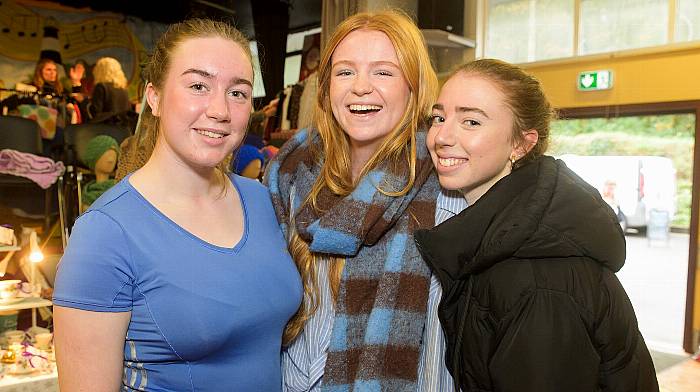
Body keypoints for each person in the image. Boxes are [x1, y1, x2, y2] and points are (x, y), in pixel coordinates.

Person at [53, 19, 302, 391]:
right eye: (198, 86)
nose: (220, 109)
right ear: (153, 97)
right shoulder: (106, 232)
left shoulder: (261, 199)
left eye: (238, 92)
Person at [414, 59, 659, 391]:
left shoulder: (536, 281)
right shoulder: (501, 241)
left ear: (521, 144)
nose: (442, 136)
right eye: (439, 118)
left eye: (471, 121)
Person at [265, 10, 447, 390]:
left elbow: (441, 349)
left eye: (383, 72)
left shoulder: (442, 189)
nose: (360, 87)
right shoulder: (290, 174)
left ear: (413, 86)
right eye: (345, 71)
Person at [88, 56, 132, 123]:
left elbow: (95, 114)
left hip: (107, 130)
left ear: (100, 71)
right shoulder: (123, 89)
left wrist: (84, 102)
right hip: (123, 129)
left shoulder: (101, 87)